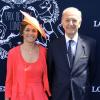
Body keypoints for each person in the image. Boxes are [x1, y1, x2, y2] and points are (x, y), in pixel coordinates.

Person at [47, 7, 96, 100]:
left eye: (74, 20)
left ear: (80, 23)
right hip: (59, 95)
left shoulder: (90, 44)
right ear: (62, 22)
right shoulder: (53, 45)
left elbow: (92, 72)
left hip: (82, 95)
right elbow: (50, 72)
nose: (71, 23)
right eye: (67, 20)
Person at [5, 10, 51, 100]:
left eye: (34, 30)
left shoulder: (44, 52)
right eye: (27, 30)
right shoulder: (12, 53)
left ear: (37, 33)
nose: (30, 33)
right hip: (18, 96)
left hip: (39, 96)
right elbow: (9, 81)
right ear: (22, 33)